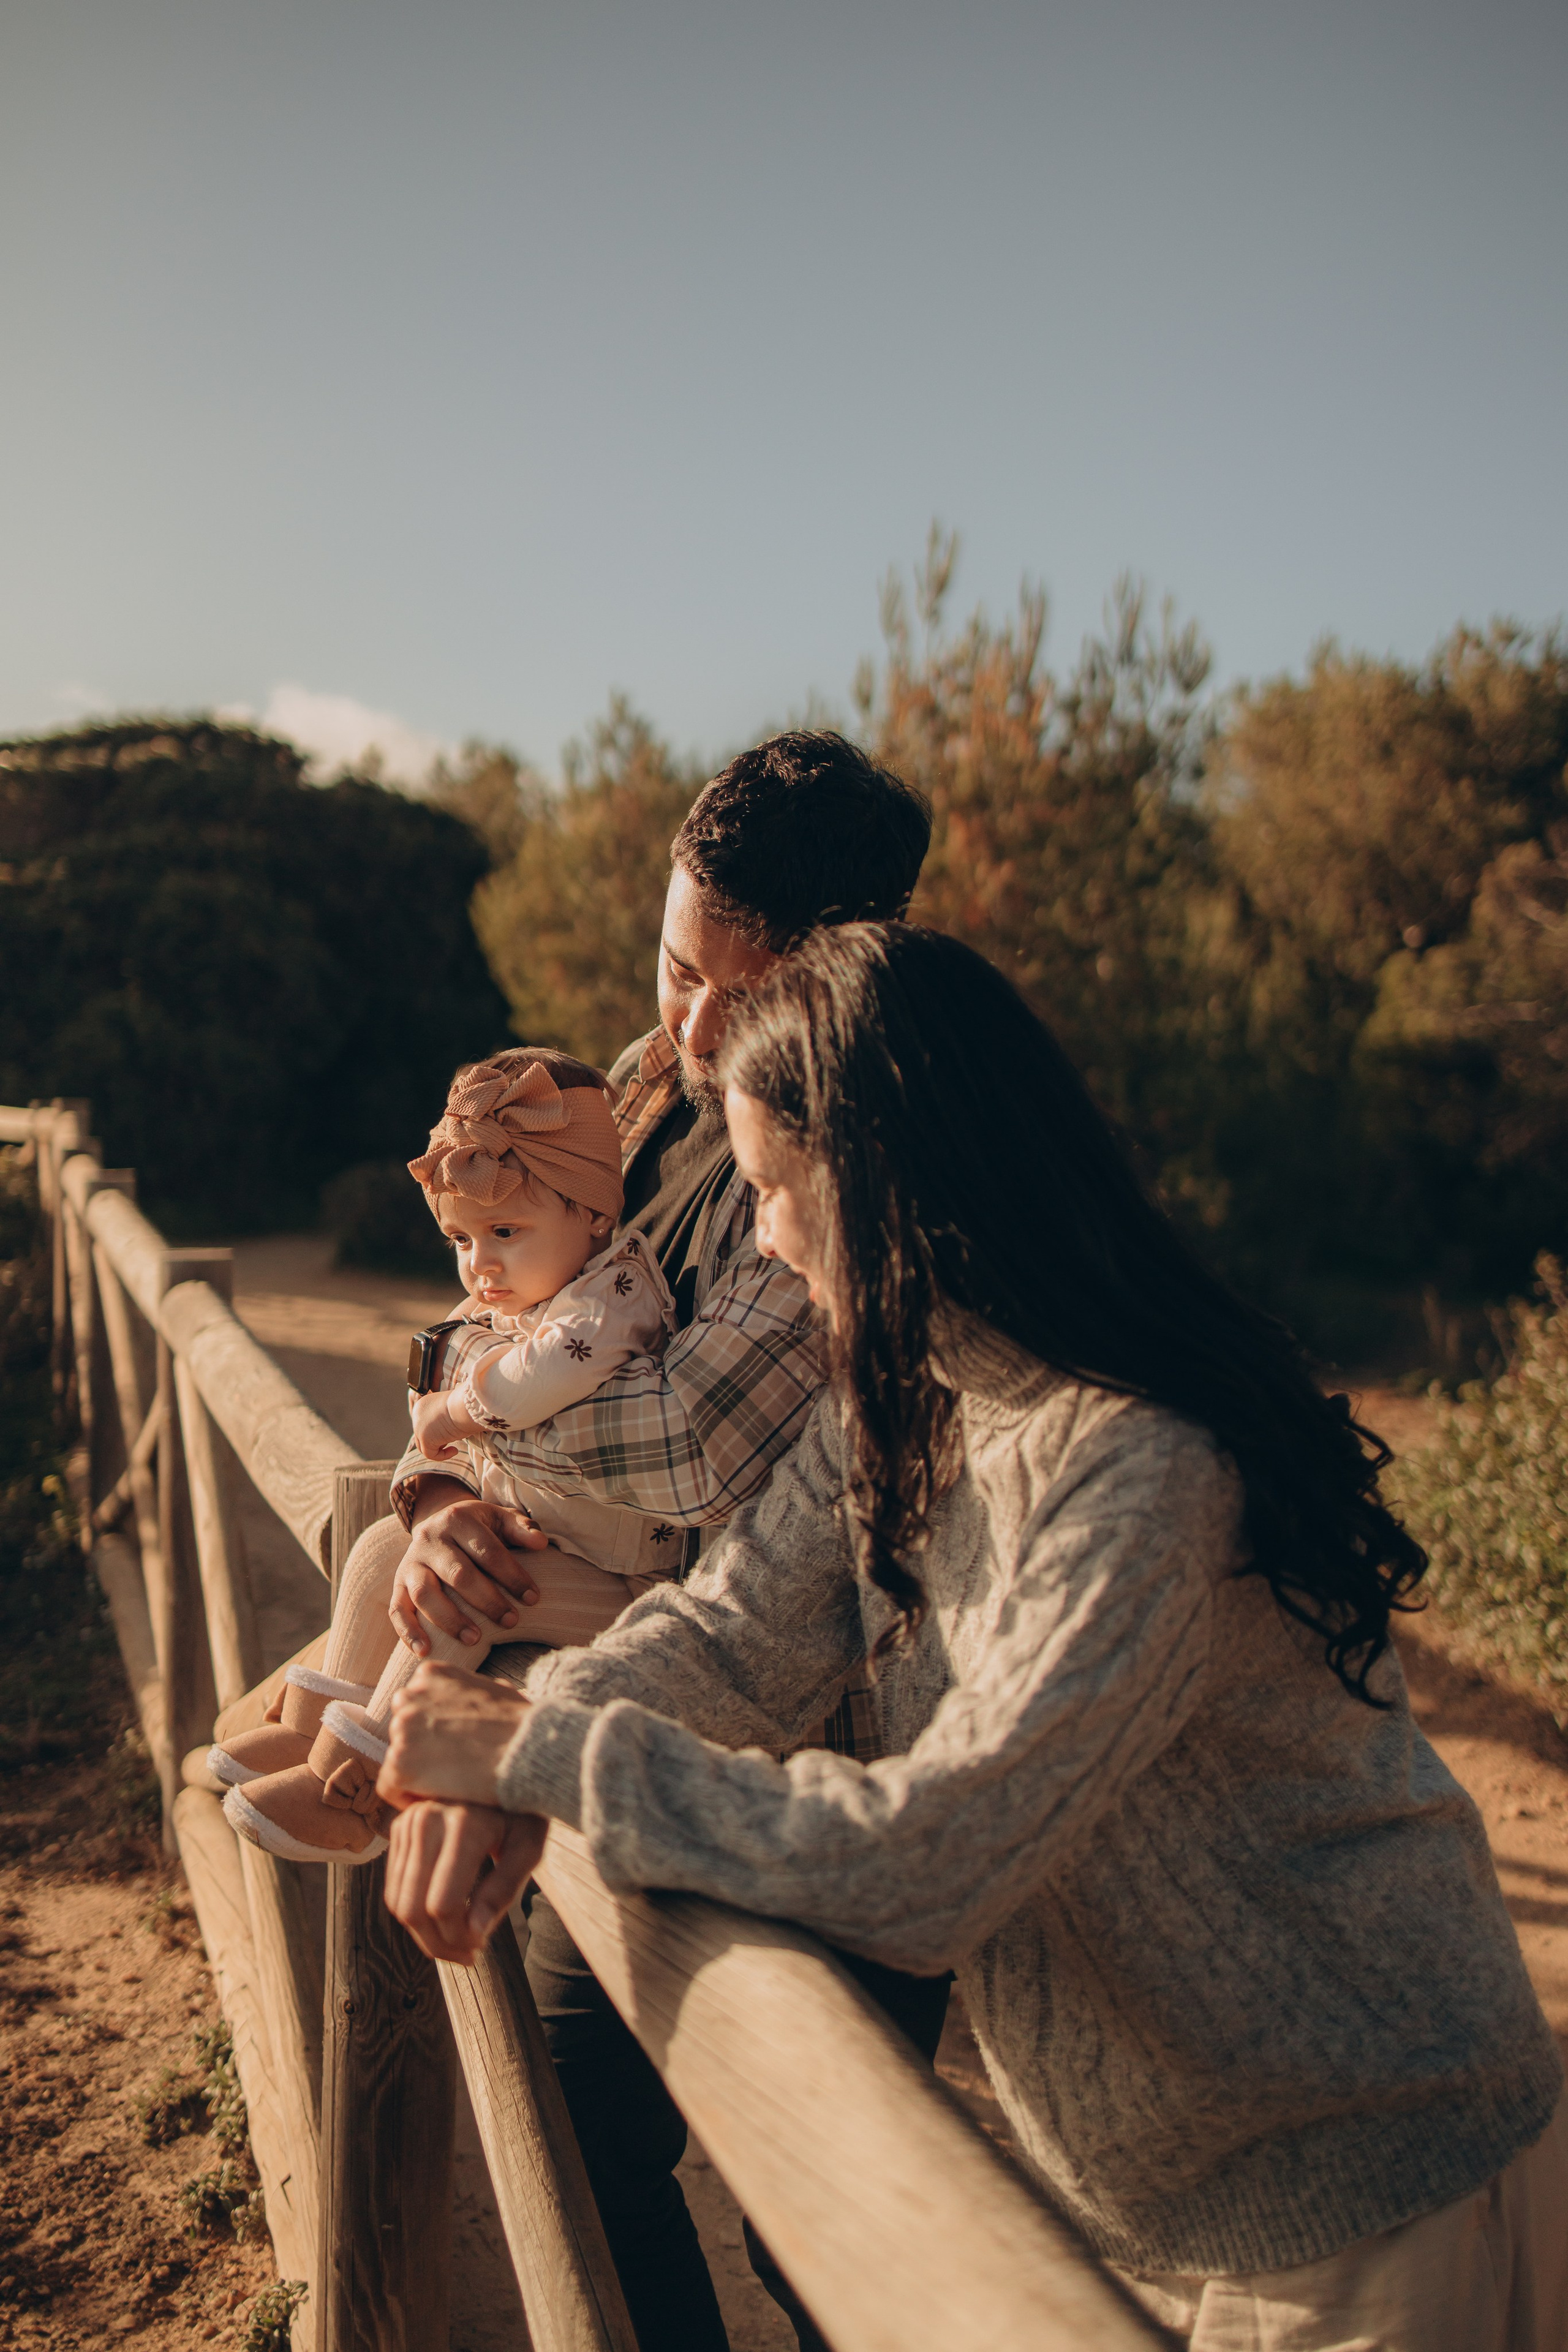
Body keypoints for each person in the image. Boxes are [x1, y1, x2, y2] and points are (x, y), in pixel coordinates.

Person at [380, 922, 1567, 2352]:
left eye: (769, 1190)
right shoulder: (905, 1400)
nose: (755, 1235)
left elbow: (932, 1856)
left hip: (1379, 2175)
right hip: (1174, 2192)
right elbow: (737, 1631)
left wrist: (547, 1748)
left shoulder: (1139, 1464)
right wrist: (523, 1745)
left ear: (879, 1181)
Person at [214, 731, 933, 2352]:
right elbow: (488, 1299)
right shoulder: (647, 1082)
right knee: (579, 2138)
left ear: (840, 974)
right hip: (597, 1713)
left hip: (799, 1751)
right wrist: (445, 1493)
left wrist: (474, 1419)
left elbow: (690, 1442)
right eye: (676, 963)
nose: (683, 1024)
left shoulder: (848, 1153)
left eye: (732, 996)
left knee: (821, 2221)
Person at [214, 1046, 679, 1863]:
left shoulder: (613, 1297)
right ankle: (322, 1732)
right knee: (381, 1550)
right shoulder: (532, 1287)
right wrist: (445, 1398)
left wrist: (457, 1410)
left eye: (504, 1232)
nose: (481, 1264)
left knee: (456, 1599)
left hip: (624, 1583)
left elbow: (530, 1382)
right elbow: (435, 1346)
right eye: (463, 1239)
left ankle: (361, 1794)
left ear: (595, 1215)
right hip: (552, 1543)